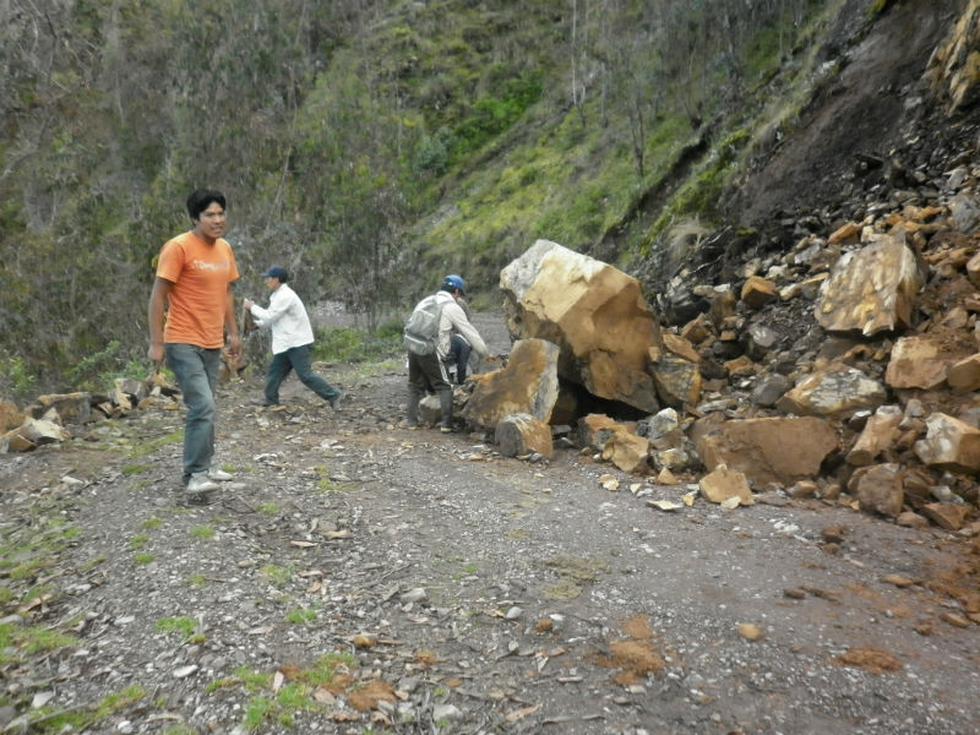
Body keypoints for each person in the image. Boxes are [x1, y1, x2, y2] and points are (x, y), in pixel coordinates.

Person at [147, 189, 240, 496]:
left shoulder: (225, 249)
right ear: (195, 218)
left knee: (207, 406)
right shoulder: (178, 248)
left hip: (212, 341)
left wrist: (233, 332)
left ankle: (207, 464)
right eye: (210, 215)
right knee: (202, 405)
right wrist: (156, 342)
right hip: (182, 339)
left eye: (220, 214)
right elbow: (158, 296)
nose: (217, 220)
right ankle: (195, 474)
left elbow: (227, 292)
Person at [243, 266, 343, 410]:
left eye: (268, 278)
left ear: (276, 279)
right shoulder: (278, 295)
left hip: (298, 343)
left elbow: (271, 315)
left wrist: (251, 307)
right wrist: (257, 325)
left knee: (305, 375)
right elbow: (274, 319)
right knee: (274, 373)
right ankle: (270, 400)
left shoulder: (286, 296)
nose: (266, 281)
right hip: (286, 343)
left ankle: (333, 395)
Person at [405, 274, 489, 432]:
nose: (459, 298)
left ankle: (411, 422)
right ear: (456, 291)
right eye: (460, 295)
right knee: (445, 386)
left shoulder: (426, 301)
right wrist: (485, 354)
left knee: (414, 385)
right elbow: (470, 333)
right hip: (430, 349)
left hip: (411, 345)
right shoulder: (451, 307)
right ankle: (446, 425)